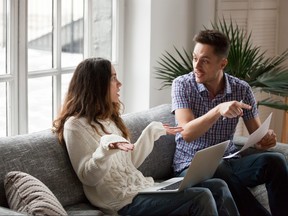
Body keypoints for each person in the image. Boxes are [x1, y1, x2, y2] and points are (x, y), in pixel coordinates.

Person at [52, 57, 239, 216]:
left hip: (144, 188)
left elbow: (129, 163)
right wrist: (104, 149)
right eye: (113, 78)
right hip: (122, 202)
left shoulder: (108, 119)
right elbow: (88, 178)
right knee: (201, 196)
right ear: (96, 85)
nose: (119, 84)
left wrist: (151, 132)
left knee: (217, 185)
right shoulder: (74, 126)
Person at [171, 29, 288, 216]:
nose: (196, 66)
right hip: (191, 167)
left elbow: (257, 136)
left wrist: (266, 139)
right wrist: (218, 110)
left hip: (229, 162)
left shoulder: (241, 89)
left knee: (275, 161)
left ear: (222, 63)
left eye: (205, 61)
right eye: (194, 58)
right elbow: (186, 132)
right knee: (218, 170)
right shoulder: (182, 85)